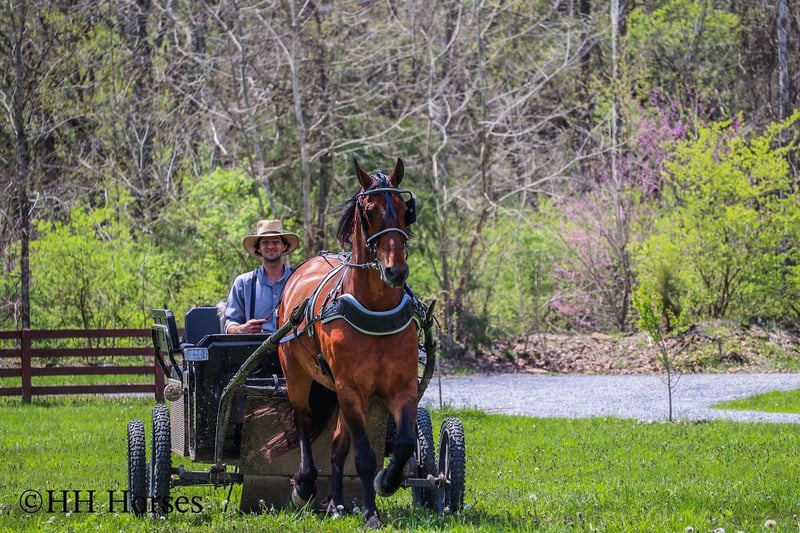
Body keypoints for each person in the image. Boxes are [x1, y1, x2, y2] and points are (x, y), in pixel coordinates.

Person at [224, 219, 300, 335]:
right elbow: (230, 324)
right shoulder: (243, 283)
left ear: (284, 246)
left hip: (294, 344)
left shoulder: (299, 279)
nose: (271, 246)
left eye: (276, 242)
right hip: (255, 345)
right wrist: (241, 329)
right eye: (265, 242)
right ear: (258, 248)